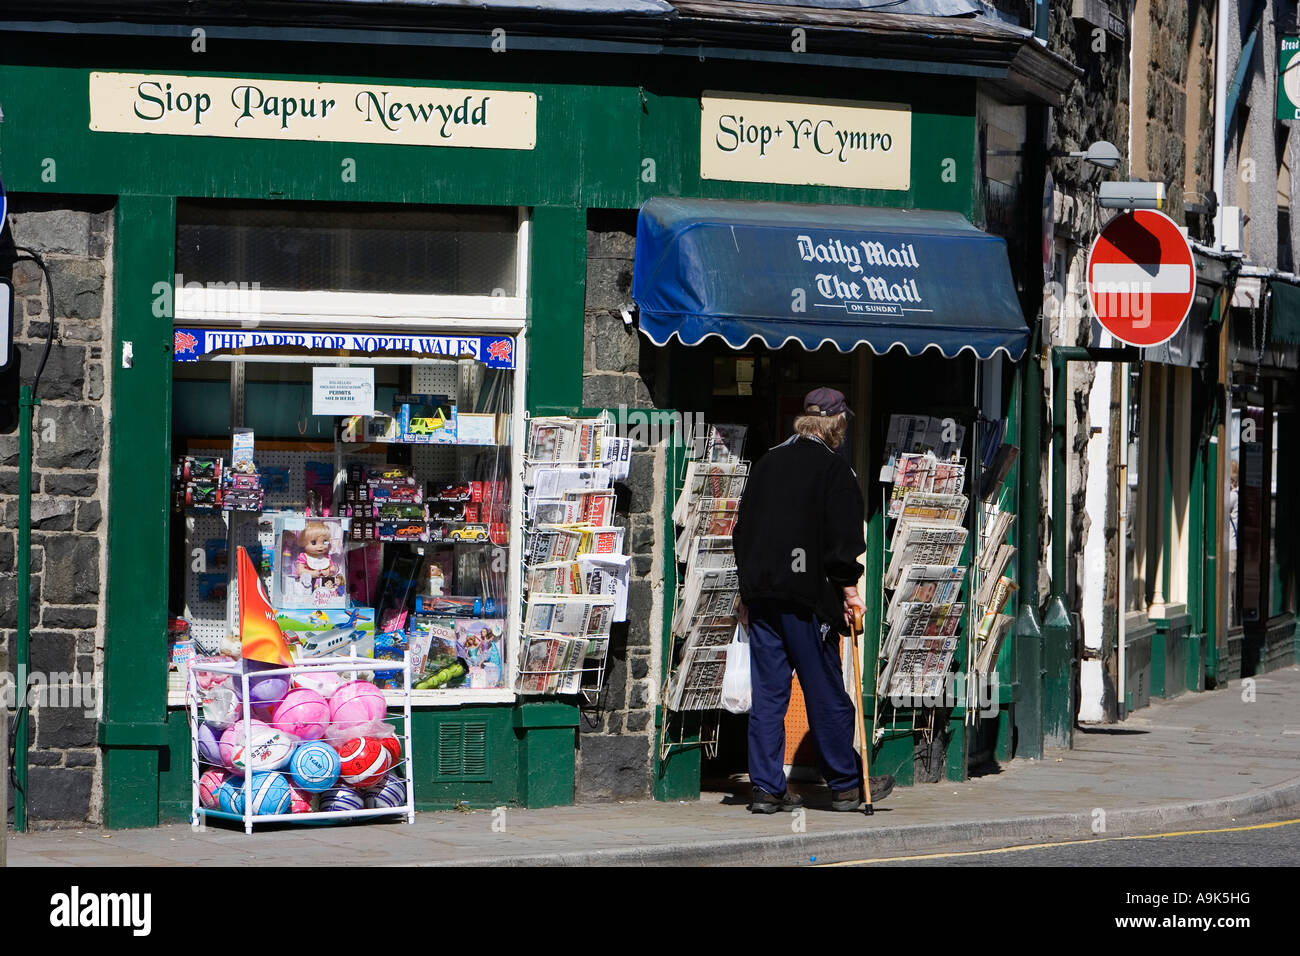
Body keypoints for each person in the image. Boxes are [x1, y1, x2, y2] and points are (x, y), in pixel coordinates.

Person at [733, 387, 894, 814]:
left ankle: (767, 789)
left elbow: (742, 530)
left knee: (769, 695)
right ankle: (844, 783)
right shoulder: (832, 469)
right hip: (806, 599)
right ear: (837, 424)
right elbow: (843, 542)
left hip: (764, 595)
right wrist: (850, 589)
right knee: (826, 692)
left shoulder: (767, 463)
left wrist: (746, 590)